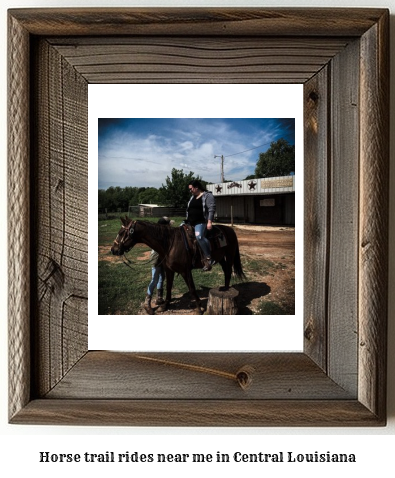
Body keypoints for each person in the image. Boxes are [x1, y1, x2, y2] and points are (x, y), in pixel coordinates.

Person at [144, 217, 173, 313]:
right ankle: (147, 302)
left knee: (162, 277)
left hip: (163, 258)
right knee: (155, 279)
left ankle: (159, 298)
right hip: (156, 259)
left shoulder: (161, 233)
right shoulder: (160, 234)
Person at [186, 179, 216, 271]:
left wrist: (209, 222)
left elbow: (211, 209)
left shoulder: (207, 195)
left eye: (191, 189)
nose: (190, 191)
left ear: (196, 187)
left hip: (201, 222)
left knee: (199, 237)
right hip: (189, 222)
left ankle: (209, 257)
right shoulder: (192, 197)